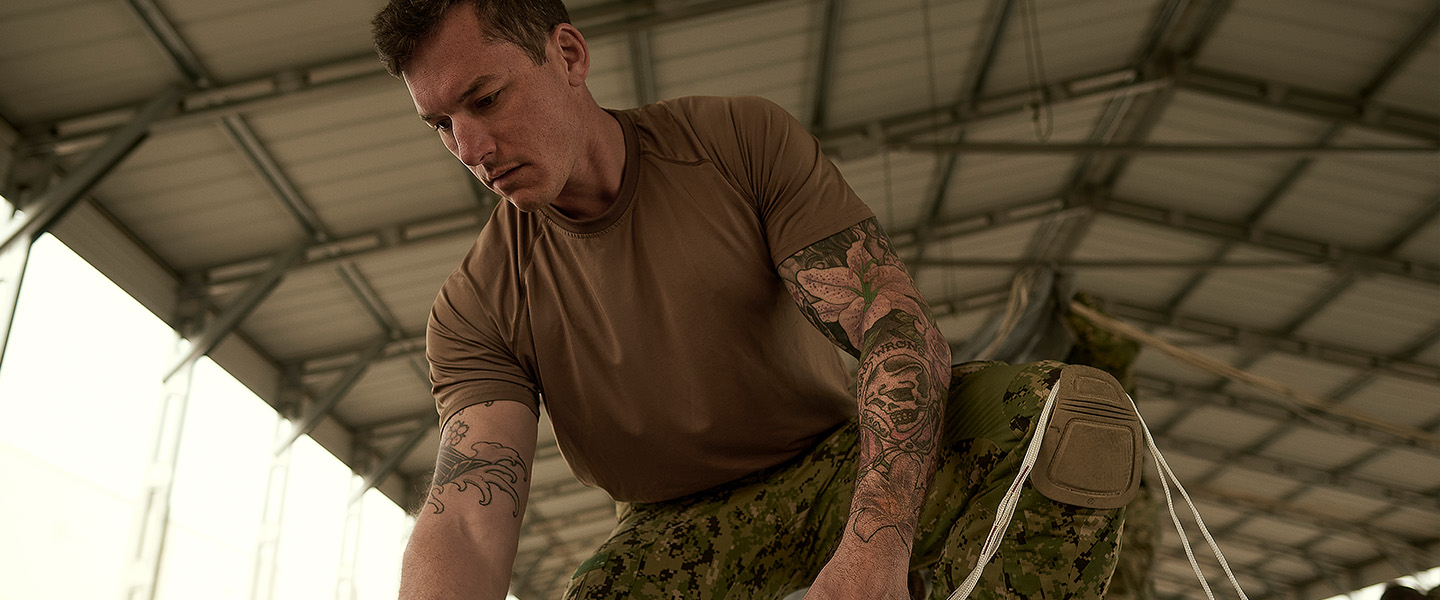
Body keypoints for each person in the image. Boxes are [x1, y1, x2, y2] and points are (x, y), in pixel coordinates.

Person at [370, 1, 1135, 598]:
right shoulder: (476, 304)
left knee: (1073, 421)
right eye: (442, 125)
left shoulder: (735, 143)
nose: (471, 150)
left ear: (567, 55)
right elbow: (470, 515)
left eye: (485, 98)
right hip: (673, 531)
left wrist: (873, 555)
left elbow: (895, 328)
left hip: (839, 463)